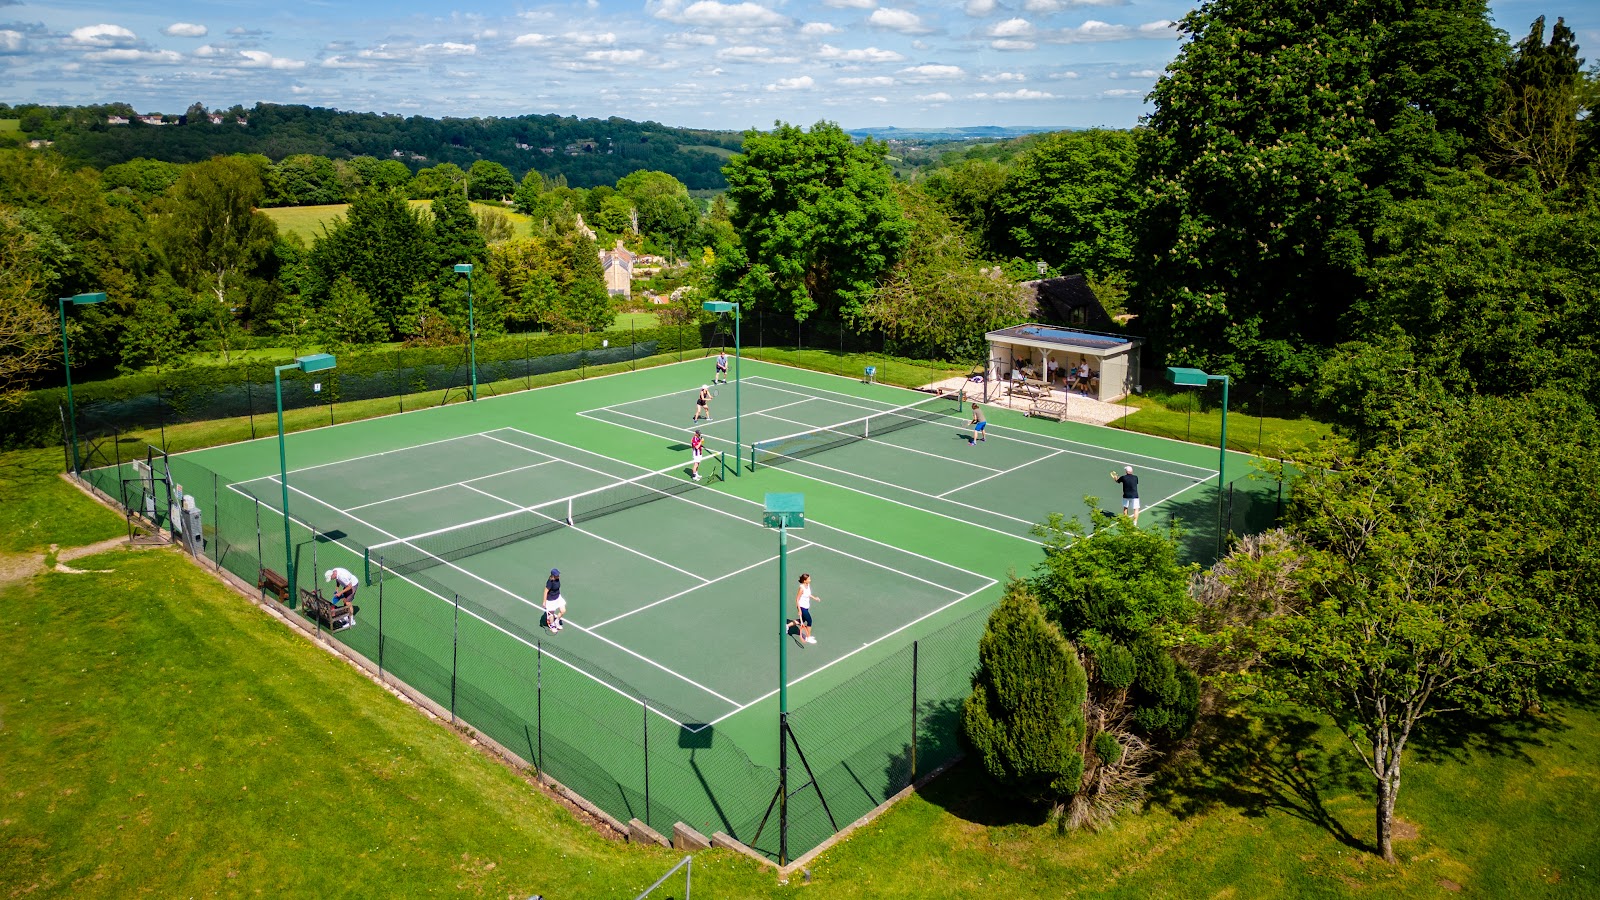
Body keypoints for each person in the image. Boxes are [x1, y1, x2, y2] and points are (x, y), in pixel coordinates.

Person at [794, 573, 819, 645]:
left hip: (806, 606)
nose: (810, 580)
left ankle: (787, 626)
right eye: (809, 579)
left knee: (803, 620)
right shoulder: (801, 588)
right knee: (809, 621)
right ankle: (808, 637)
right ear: (805, 580)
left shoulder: (808, 585)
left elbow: (808, 594)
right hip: (802, 607)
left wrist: (815, 598)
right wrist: (799, 610)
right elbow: (797, 599)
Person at [543, 568, 567, 632]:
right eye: (557, 574)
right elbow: (545, 592)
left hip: (558, 597)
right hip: (551, 600)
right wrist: (544, 602)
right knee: (551, 615)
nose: (558, 575)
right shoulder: (550, 582)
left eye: (558, 574)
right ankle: (552, 625)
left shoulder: (557, 579)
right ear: (553, 575)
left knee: (563, 610)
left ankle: (556, 621)